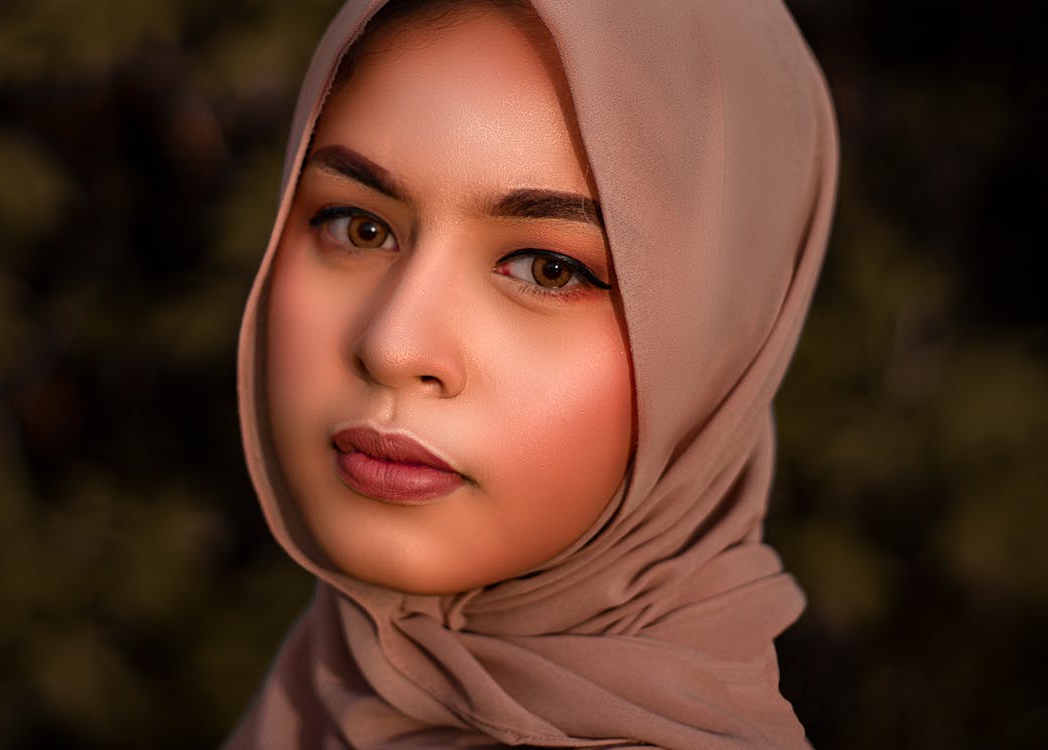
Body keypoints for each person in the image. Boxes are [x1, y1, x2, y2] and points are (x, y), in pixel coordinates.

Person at [227, 0, 837, 747]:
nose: (392, 346)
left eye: (548, 269)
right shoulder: (323, 696)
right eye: (361, 226)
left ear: (722, 341)